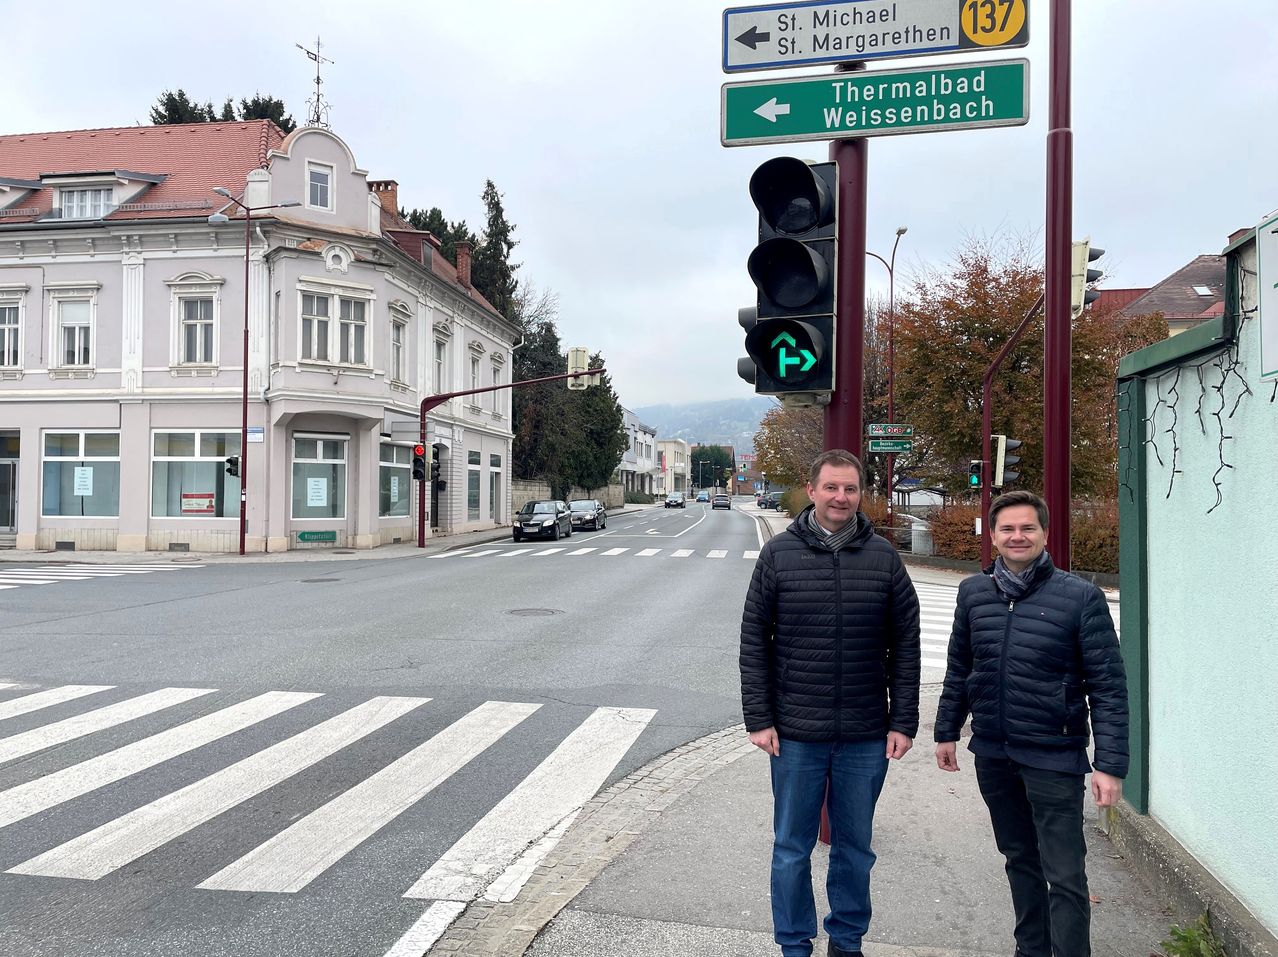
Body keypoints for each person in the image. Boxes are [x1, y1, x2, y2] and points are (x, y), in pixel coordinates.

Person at [740, 449, 921, 957]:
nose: (841, 497)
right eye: (832, 487)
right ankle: (795, 944)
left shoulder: (883, 557)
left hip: (865, 733)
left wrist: (902, 720)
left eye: (851, 489)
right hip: (795, 732)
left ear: (861, 494)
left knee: (855, 850)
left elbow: (905, 643)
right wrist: (759, 718)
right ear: (813, 489)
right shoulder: (779, 554)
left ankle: (846, 943)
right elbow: (755, 638)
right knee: (791, 850)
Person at [934, 490, 1128, 957]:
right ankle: (1031, 949)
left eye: (1027, 528)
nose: (1017, 536)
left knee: (1064, 874)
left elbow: (1108, 686)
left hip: (1054, 756)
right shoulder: (973, 592)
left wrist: (1110, 765)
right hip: (994, 753)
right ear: (994, 536)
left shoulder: (1080, 596)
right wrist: (946, 730)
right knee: (1019, 860)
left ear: (1044, 533)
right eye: (1007, 529)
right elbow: (961, 666)